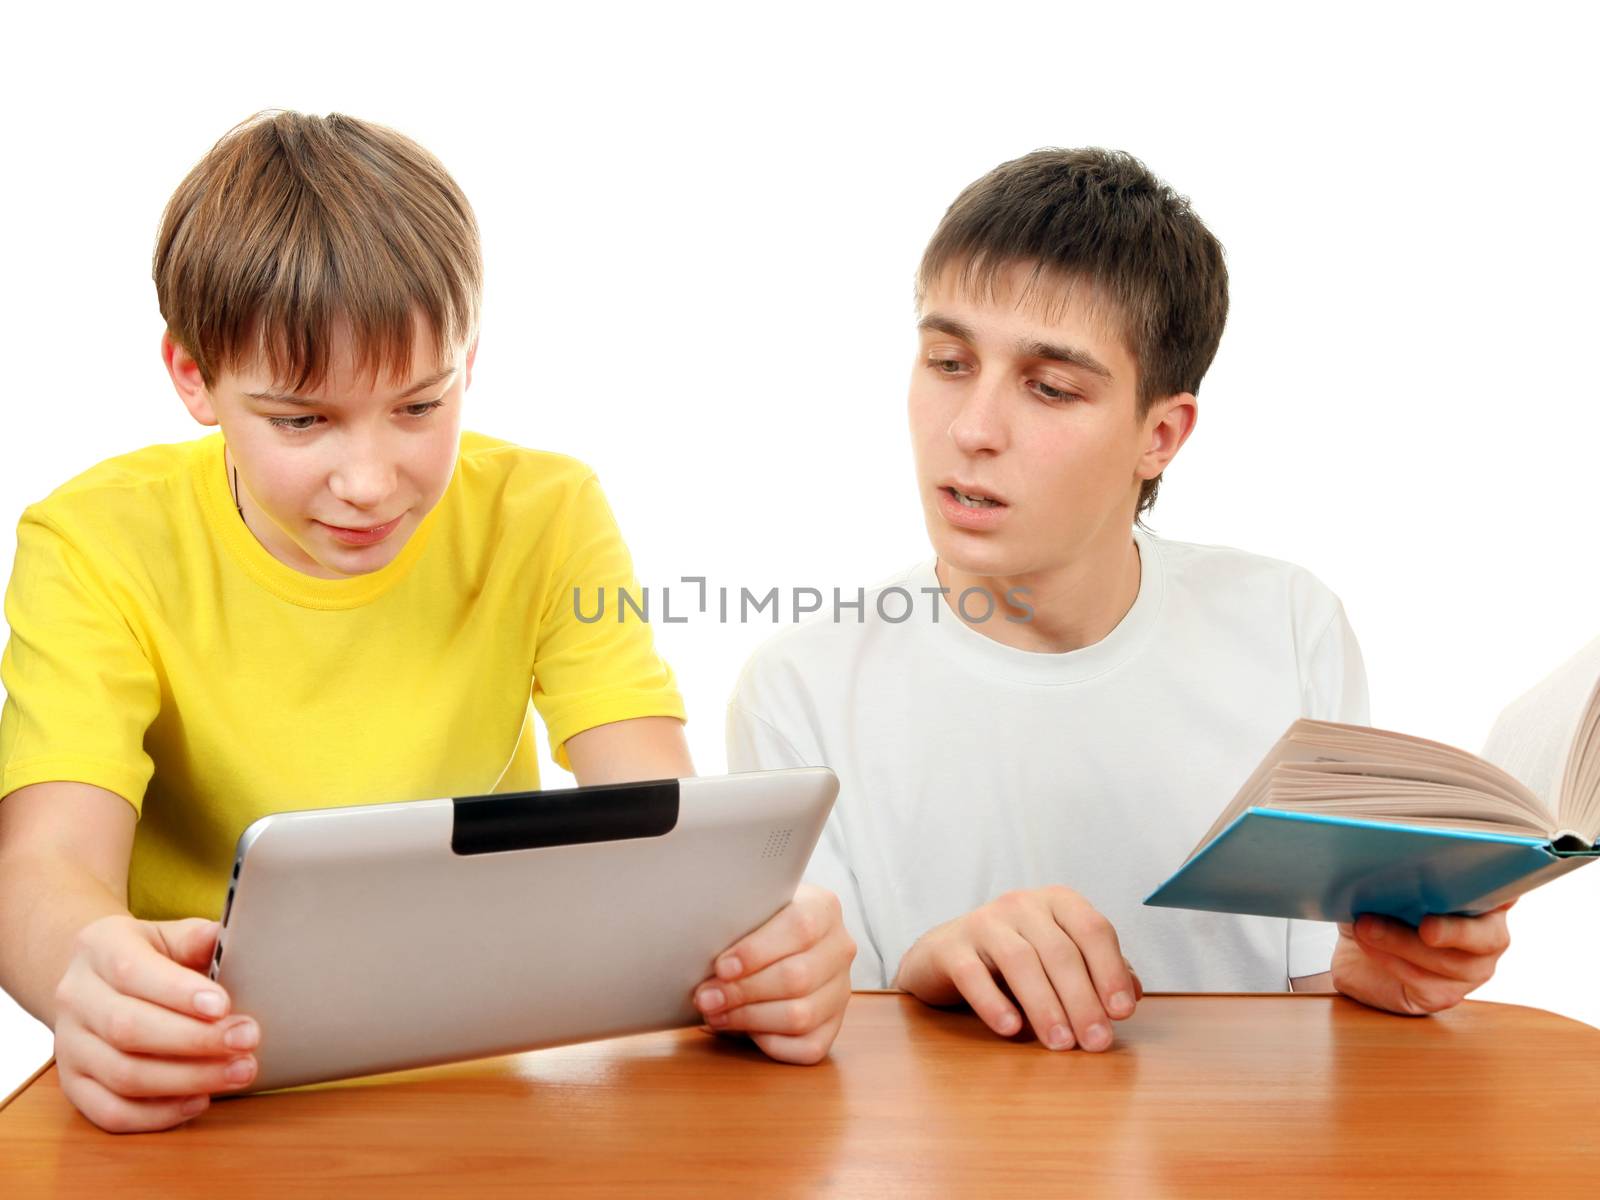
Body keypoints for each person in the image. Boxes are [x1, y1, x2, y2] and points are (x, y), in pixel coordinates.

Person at [0, 110, 853, 1134]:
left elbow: (659, 817)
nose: (368, 484)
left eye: (418, 406)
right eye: (301, 420)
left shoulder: (547, 512)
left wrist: (761, 939)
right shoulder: (95, 539)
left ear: (468, 363)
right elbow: (43, 868)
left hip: (483, 1074)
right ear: (193, 378)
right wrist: (85, 978)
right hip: (210, 1083)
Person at [726, 148, 1511, 1055]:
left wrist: (1377, 982)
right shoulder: (803, 690)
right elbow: (810, 1066)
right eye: (948, 361)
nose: (972, 431)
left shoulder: (1286, 626)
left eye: (1050, 388)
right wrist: (925, 972)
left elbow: (1307, 996)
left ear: (1161, 433)